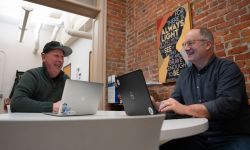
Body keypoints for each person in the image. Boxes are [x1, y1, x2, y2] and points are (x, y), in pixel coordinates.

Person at [153, 28, 250, 150]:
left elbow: (226, 105)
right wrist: (156, 105)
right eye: (184, 44)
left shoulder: (227, 68)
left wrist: (184, 109)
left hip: (230, 135)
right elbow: (175, 102)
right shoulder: (184, 75)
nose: (186, 48)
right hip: (196, 136)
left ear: (207, 44)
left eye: (190, 43)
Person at [10, 41, 72, 113]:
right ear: (43, 57)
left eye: (62, 57)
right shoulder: (31, 75)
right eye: (56, 55)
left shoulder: (66, 79)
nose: (60, 60)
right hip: (34, 123)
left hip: (59, 123)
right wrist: (52, 107)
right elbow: (16, 103)